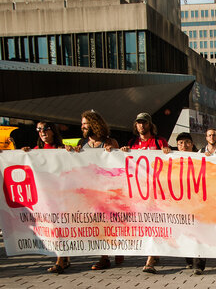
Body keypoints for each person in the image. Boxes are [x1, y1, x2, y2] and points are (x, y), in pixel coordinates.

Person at [69, 110, 121, 271]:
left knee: (106, 222)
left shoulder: (109, 141)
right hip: (88, 191)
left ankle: (105, 256)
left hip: (106, 190)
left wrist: (114, 152)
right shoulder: (81, 143)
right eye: (82, 124)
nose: (82, 126)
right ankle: (105, 253)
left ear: (94, 124)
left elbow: (120, 165)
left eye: (85, 123)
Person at [120, 112, 169, 274]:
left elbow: (169, 162)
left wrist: (168, 152)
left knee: (153, 222)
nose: (141, 125)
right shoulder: (131, 143)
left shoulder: (158, 141)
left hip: (155, 191)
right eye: (138, 123)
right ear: (135, 125)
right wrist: (123, 152)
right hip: (138, 191)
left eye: (144, 122)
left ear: (150, 125)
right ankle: (153, 252)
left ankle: (150, 260)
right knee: (143, 224)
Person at [22, 121, 67, 273]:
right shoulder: (35, 151)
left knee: (58, 227)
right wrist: (23, 154)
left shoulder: (60, 149)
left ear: (53, 131)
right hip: (43, 197)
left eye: (45, 129)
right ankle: (63, 258)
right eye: (39, 129)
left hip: (59, 195)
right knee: (50, 227)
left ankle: (61, 259)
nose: (42, 132)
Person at [174, 132, 207, 275]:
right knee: (185, 231)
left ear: (192, 144)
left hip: (198, 201)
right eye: (180, 143)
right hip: (180, 201)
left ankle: (199, 263)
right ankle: (188, 259)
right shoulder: (172, 157)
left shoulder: (200, 158)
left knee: (198, 232)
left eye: (187, 142)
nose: (184, 145)